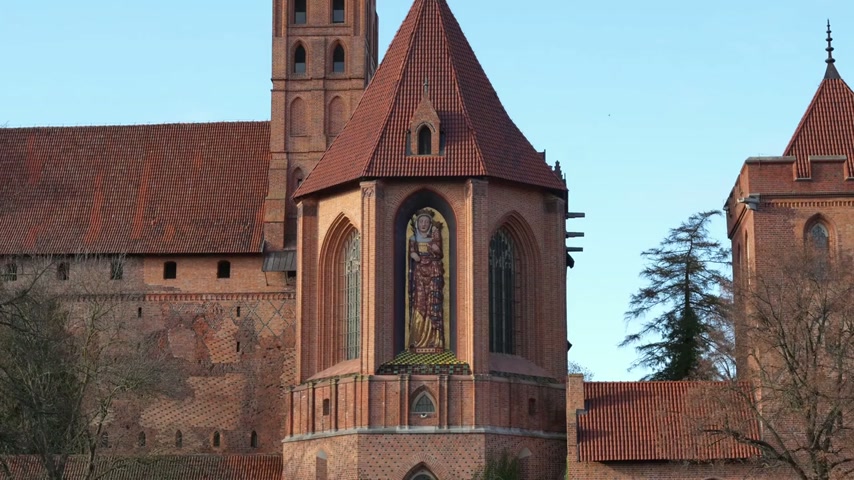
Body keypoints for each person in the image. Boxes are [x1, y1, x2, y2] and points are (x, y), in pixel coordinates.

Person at [408, 209, 445, 351]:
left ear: (430, 224)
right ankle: (417, 339)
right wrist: (413, 255)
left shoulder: (434, 238)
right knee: (420, 302)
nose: (423, 224)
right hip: (419, 273)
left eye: (426, 222)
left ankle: (434, 340)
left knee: (432, 302)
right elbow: (412, 252)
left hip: (433, 270)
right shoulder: (413, 239)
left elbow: (439, 253)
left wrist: (435, 248)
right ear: (417, 224)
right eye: (421, 221)